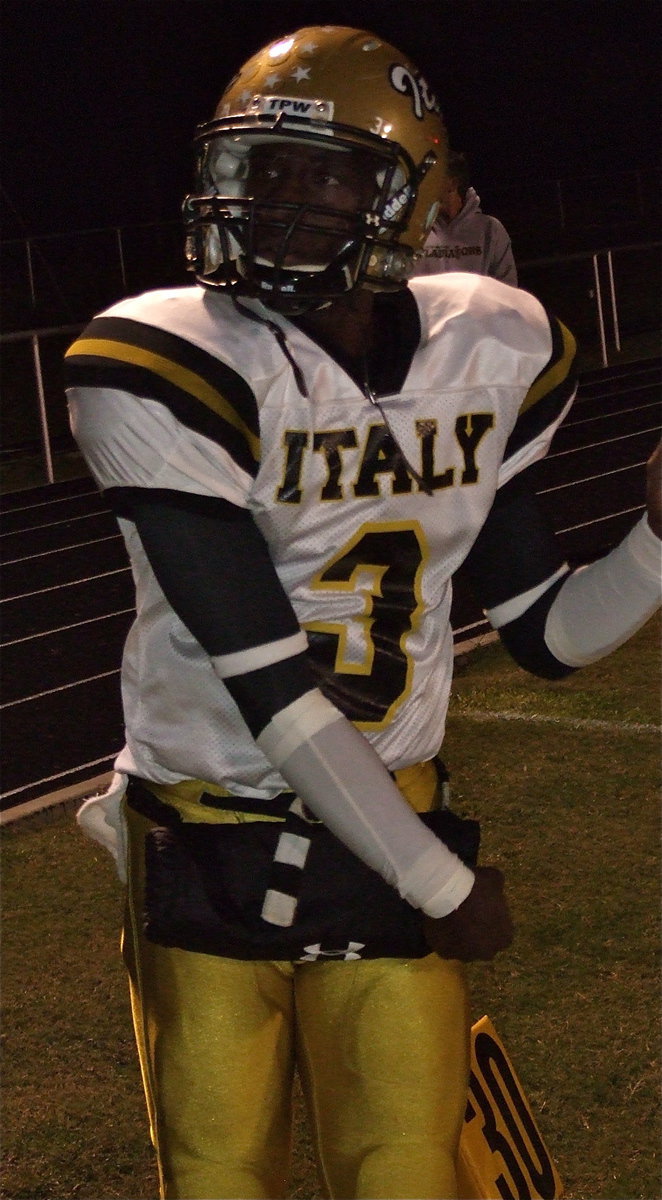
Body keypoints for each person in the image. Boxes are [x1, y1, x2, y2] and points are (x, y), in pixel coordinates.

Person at [65, 25, 661, 1200]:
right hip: (209, 832)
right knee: (217, 1173)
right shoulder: (166, 360)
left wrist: (656, 540)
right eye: (255, 169)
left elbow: (543, 631)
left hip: (392, 811)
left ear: (411, 196)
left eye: (320, 172)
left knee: (405, 1172)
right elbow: (273, 689)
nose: (274, 201)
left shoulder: (488, 348)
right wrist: (441, 886)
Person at [413, 150, 518, 284]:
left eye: (430, 178)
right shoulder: (416, 231)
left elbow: (507, 287)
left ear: (452, 183)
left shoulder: (490, 229)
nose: (423, 185)